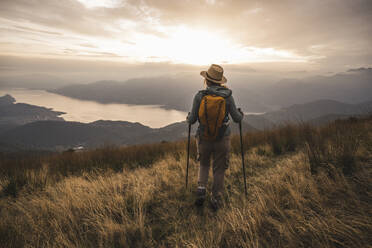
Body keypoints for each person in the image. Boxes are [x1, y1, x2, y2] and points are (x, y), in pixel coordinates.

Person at [187, 64, 243, 210]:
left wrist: (188, 118)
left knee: (204, 164)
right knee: (219, 169)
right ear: (220, 81)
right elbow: (237, 119)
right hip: (222, 138)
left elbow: (192, 119)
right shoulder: (227, 96)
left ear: (206, 80)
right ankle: (215, 199)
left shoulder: (199, 96)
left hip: (204, 137)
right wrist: (240, 114)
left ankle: (201, 190)